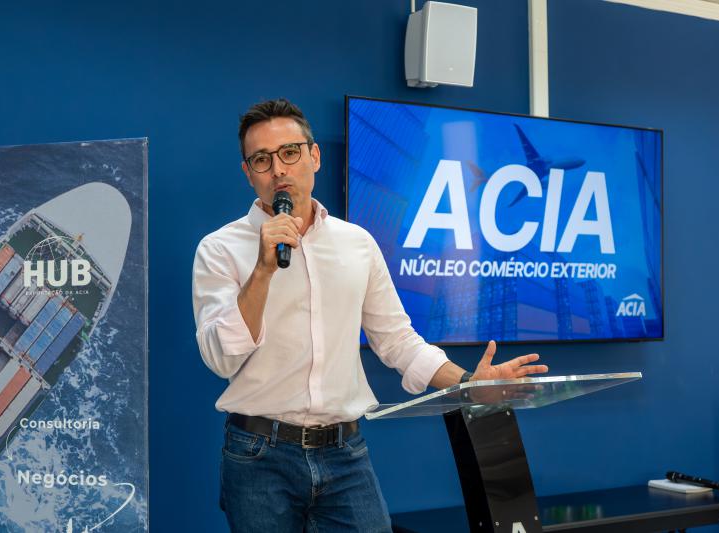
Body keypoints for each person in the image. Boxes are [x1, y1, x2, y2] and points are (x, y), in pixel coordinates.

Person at [192, 98, 548, 532]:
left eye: (290, 152)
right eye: (262, 160)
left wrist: (470, 385)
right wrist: (263, 270)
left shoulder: (356, 243)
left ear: (314, 156)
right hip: (259, 455)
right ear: (249, 173)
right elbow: (221, 358)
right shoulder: (219, 249)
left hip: (344, 452)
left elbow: (397, 340)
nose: (279, 169)